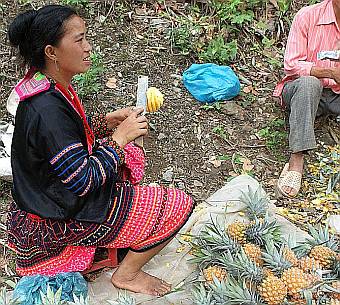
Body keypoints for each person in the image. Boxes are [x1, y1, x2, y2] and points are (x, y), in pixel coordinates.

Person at [6, 5, 193, 296]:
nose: (88, 47)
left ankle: (111, 240)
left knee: (127, 157)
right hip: (59, 216)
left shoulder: (46, 85)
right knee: (178, 205)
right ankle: (127, 275)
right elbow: (83, 180)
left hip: (44, 197)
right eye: (79, 40)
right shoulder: (47, 109)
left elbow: (61, 140)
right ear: (51, 52)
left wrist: (105, 123)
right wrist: (119, 138)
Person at [273, 0, 340, 198]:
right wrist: (330, 72)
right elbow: (292, 65)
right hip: (303, 92)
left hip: (336, 95)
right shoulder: (308, 16)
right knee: (310, 83)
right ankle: (296, 161)